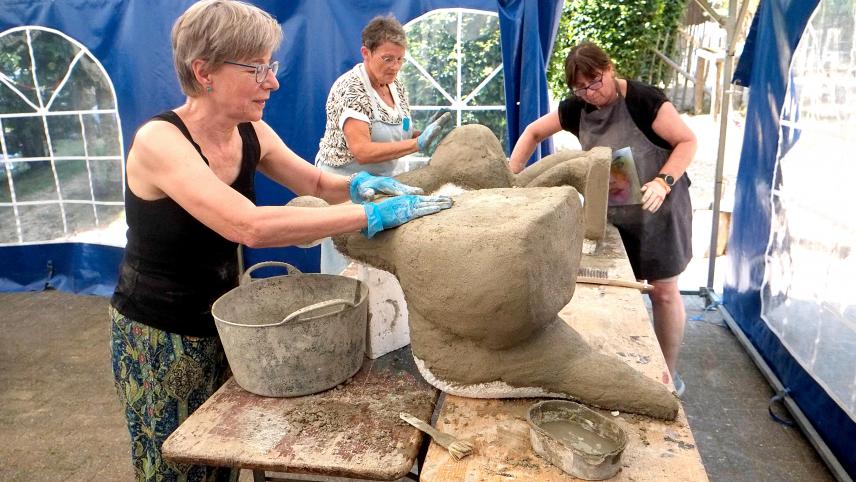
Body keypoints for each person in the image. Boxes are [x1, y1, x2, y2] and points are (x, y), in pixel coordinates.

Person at [109, 2, 451, 480]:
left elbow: (314, 183)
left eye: (272, 66)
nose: (272, 82)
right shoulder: (159, 142)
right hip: (160, 332)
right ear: (203, 71)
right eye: (257, 69)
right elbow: (247, 225)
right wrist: (368, 215)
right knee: (174, 467)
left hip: (231, 322)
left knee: (225, 452)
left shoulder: (250, 131)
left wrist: (355, 187)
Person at [508, 41, 696, 396]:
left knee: (664, 292)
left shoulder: (644, 100)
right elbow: (533, 133)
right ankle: (622, 364)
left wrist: (664, 181)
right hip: (614, 214)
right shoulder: (576, 108)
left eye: (596, 82)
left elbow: (687, 142)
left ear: (609, 68)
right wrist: (511, 173)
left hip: (660, 209)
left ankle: (667, 376)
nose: (591, 93)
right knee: (615, 291)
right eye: (581, 88)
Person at [315, 15, 452, 274]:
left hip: (382, 181)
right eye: (387, 59)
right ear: (366, 53)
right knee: (348, 260)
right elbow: (363, 151)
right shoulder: (351, 89)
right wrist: (416, 145)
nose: (395, 66)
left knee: (379, 264)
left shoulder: (395, 83)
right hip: (345, 184)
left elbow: (399, 129)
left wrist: (424, 135)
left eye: (400, 59)